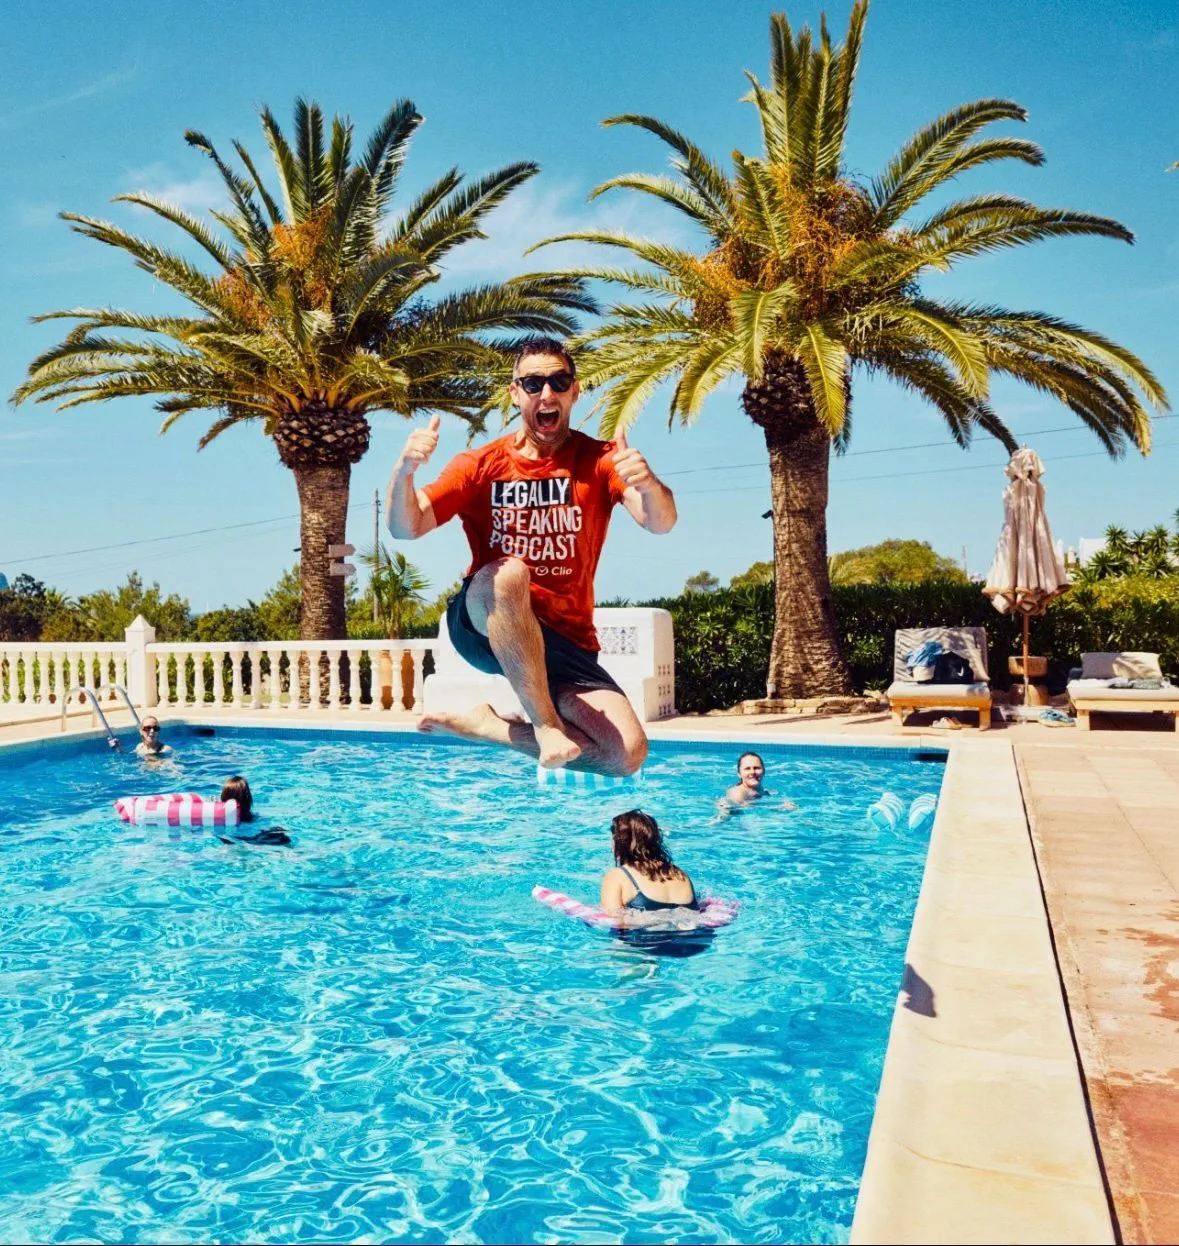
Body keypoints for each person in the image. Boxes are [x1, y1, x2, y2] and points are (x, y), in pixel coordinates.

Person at [387, 337, 677, 775]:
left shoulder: (600, 461)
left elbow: (660, 523)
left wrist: (649, 482)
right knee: (509, 574)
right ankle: (545, 726)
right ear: (515, 393)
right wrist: (403, 472)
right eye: (533, 382)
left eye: (559, 382)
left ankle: (490, 727)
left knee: (626, 756)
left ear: (574, 391)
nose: (547, 394)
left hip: (565, 641)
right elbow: (405, 526)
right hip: (485, 622)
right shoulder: (481, 464)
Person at [599, 809, 699, 914]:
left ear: (621, 842)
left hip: (642, 929)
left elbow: (612, 920)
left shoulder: (617, 876)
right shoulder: (680, 874)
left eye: (613, 838)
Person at [716, 752, 798, 818]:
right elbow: (731, 805)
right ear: (739, 774)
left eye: (756, 768)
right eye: (747, 769)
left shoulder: (766, 792)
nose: (752, 772)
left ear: (764, 771)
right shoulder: (738, 792)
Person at [218, 776, 290, 846]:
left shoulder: (219, 823)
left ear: (223, 799)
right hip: (258, 839)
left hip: (235, 841)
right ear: (248, 799)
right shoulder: (258, 819)